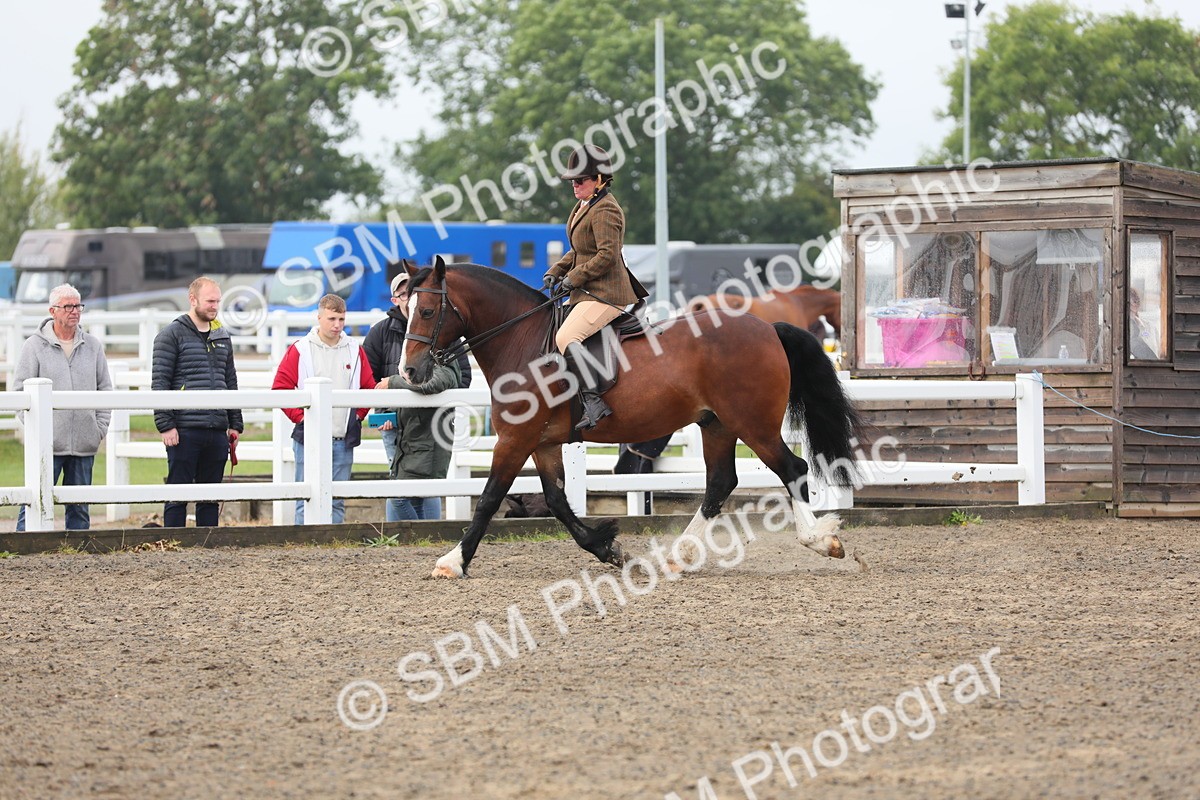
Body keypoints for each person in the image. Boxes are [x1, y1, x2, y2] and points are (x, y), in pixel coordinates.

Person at [365, 271, 471, 520]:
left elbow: (461, 377)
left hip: (428, 424)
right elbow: (371, 380)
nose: (408, 297)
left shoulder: (441, 332)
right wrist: (385, 413)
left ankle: (417, 534)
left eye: (412, 292)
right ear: (395, 299)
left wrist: (405, 388)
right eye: (403, 293)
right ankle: (419, 533)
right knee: (403, 483)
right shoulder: (381, 332)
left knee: (417, 489)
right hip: (394, 422)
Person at [13, 284, 112, 530]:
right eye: (68, 306)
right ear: (53, 311)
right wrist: (40, 431)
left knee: (79, 508)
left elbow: (105, 390)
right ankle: (24, 546)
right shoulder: (34, 346)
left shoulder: (93, 346)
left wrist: (97, 429)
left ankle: (78, 556)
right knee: (34, 502)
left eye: (78, 305)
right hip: (47, 444)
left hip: (84, 442)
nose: (74, 311)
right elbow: (19, 393)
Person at [272, 293, 377, 524]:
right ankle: (303, 547)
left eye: (341, 319)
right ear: (318, 317)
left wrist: (356, 417)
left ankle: (334, 545)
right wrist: (302, 419)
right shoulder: (301, 349)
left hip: (342, 436)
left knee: (337, 499)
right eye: (331, 319)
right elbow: (281, 387)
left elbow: (369, 386)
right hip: (307, 437)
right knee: (304, 498)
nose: (337, 325)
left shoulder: (354, 349)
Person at [152, 276, 243, 528]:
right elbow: (160, 381)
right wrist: (165, 424)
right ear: (193, 299)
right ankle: (172, 540)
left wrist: (235, 422)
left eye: (217, 301)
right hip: (184, 428)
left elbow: (230, 380)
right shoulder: (170, 335)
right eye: (210, 301)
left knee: (210, 494)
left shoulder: (221, 334)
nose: (214, 306)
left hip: (216, 428)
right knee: (177, 492)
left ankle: (208, 542)